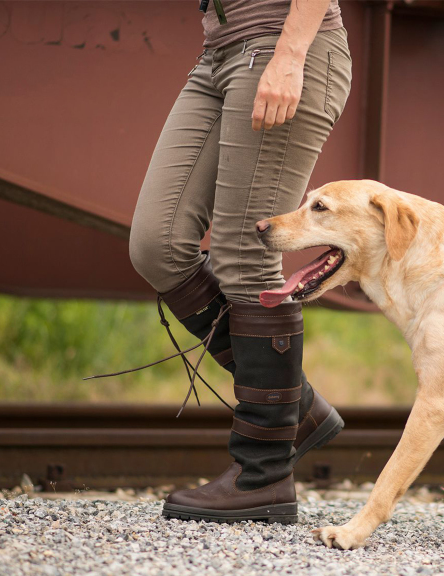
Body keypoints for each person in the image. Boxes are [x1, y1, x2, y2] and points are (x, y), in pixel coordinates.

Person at [127, 0, 351, 524]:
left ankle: (263, 474)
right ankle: (293, 409)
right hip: (219, 55)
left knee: (247, 256)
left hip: (282, 46)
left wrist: (291, 54)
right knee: (156, 245)